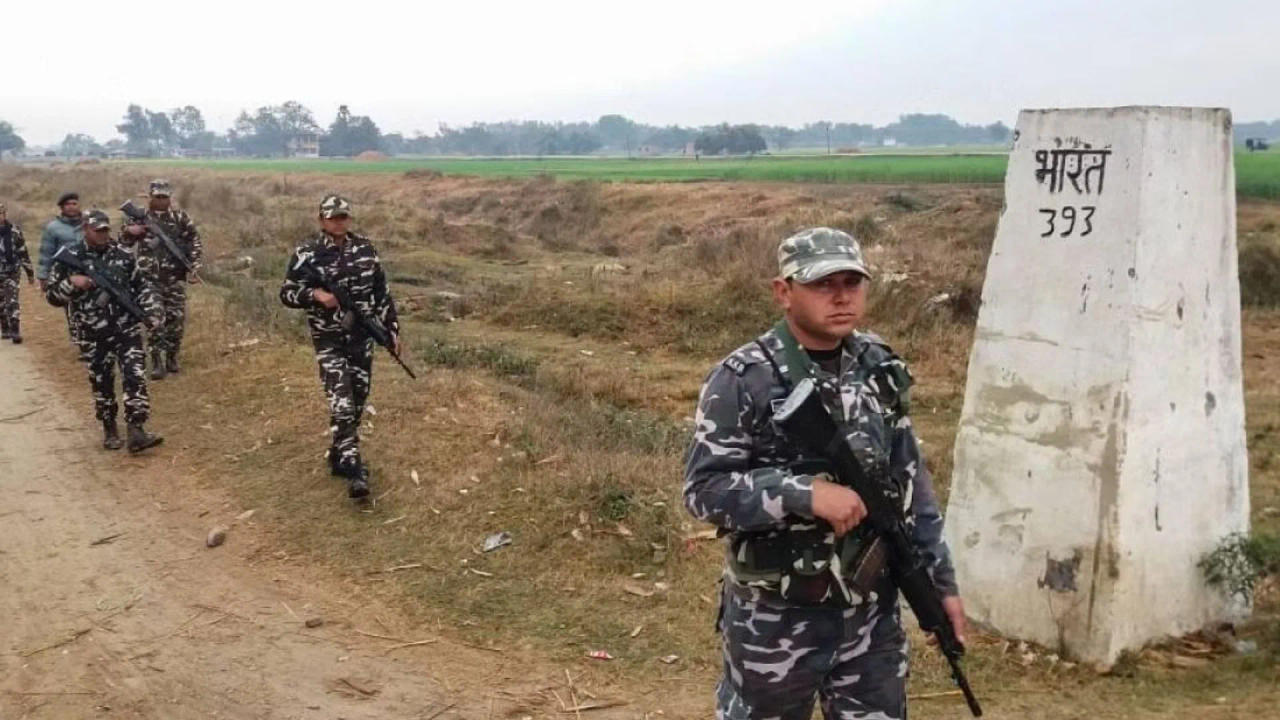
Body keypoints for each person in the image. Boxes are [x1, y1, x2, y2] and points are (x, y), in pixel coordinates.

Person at [683, 227, 966, 720]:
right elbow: (704, 489)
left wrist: (941, 584)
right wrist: (802, 494)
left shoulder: (878, 365)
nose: (840, 297)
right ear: (783, 291)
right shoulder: (744, 377)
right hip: (774, 621)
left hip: (870, 619)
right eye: (821, 284)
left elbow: (911, 483)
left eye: (851, 283)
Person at [279, 195, 401, 499]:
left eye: (343, 217)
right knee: (341, 403)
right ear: (321, 220)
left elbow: (382, 292)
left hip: (362, 338)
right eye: (333, 217)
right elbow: (286, 293)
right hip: (329, 340)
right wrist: (315, 296)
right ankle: (353, 467)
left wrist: (392, 330)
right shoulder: (307, 254)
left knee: (358, 400)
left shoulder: (365, 249)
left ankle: (338, 452)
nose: (338, 222)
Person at [45, 209, 163, 453]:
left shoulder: (123, 254)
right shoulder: (70, 257)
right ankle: (109, 427)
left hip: (126, 328)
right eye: (97, 230)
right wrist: (71, 283)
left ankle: (136, 430)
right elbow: (53, 297)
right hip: (92, 332)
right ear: (86, 230)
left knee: (135, 375)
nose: (102, 235)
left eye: (106, 230)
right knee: (102, 382)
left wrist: (152, 311)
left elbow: (141, 286)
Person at [120, 179, 203, 379]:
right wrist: (129, 232)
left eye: (164, 197)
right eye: (157, 197)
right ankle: (156, 360)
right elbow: (122, 243)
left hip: (174, 279)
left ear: (169, 198)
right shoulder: (139, 218)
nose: (161, 201)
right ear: (150, 197)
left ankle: (172, 357)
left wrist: (194, 267)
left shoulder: (180, 218)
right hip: (148, 280)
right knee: (155, 319)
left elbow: (195, 241)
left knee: (176, 321)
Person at [0, 203, 35, 343]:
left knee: (12, 300)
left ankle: (15, 330)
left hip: (11, 271)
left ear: (4, 214)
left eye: (0, 214)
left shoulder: (14, 231)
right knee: (1, 303)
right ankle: (5, 327)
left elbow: (23, 252)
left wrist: (30, 272)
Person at [37, 191, 84, 290]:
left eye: (74, 204)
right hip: (63, 274)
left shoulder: (87, 225)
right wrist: (43, 276)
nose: (71, 207)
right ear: (62, 207)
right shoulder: (53, 228)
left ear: (79, 206)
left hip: (87, 273)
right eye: (67, 204)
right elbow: (46, 254)